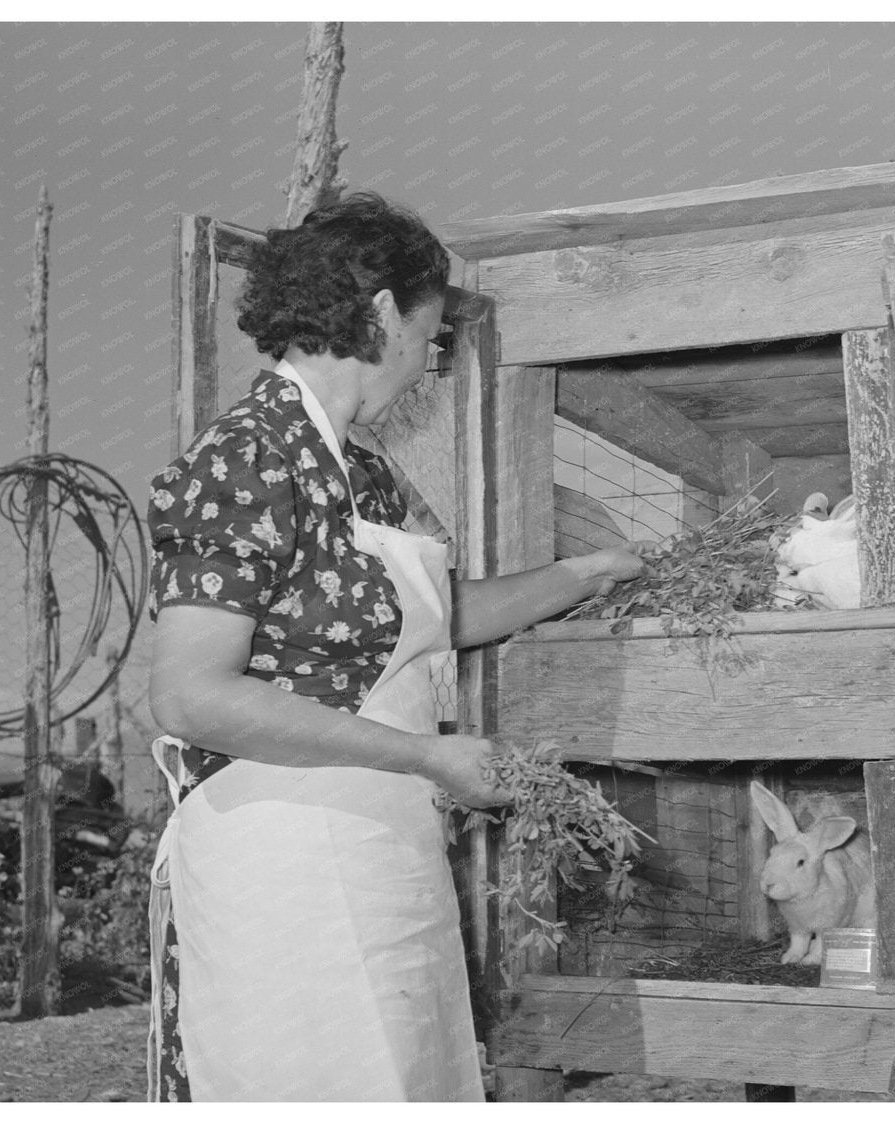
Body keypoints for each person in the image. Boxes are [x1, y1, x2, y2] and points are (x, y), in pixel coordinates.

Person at [144, 191, 644, 1102]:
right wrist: (425, 754)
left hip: (384, 844)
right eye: (425, 332)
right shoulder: (245, 458)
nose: (424, 362)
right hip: (285, 851)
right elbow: (190, 696)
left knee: (408, 1080)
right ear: (380, 315)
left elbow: (429, 619)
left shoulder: (361, 470)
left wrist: (587, 575)